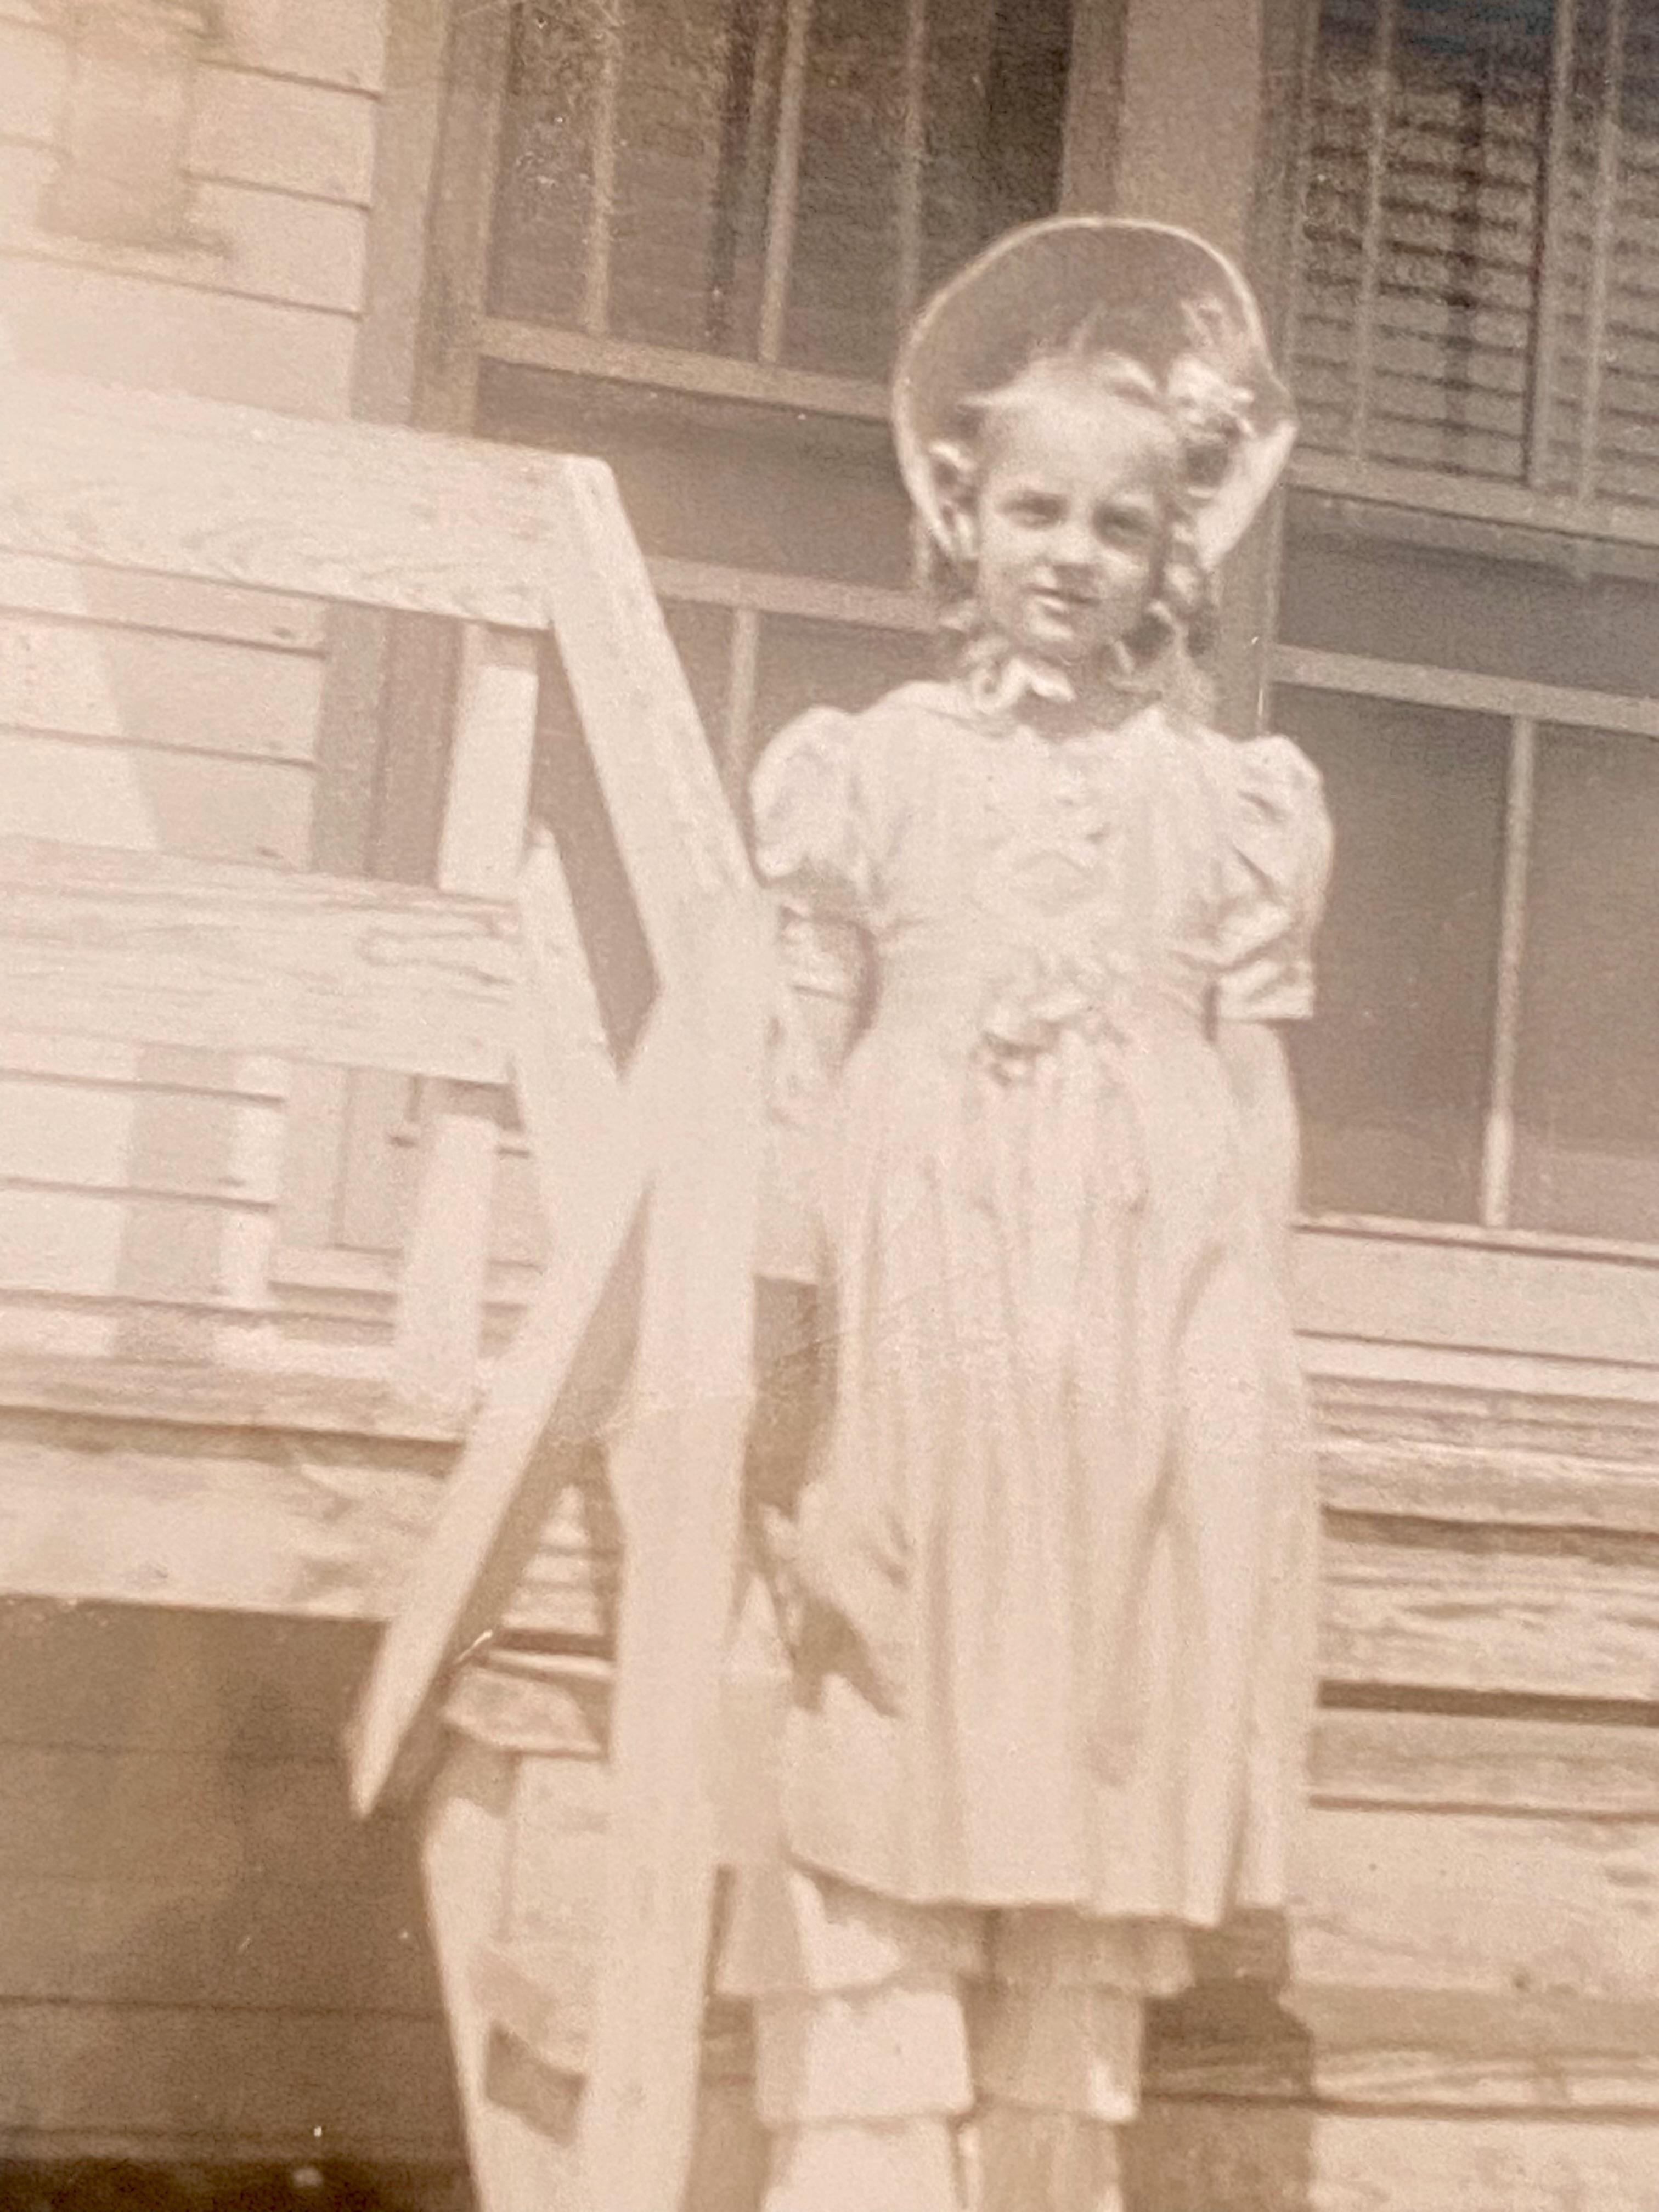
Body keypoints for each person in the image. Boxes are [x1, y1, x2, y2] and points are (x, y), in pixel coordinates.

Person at [721, 218, 1334, 2212]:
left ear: (1179, 557)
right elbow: (802, 1067)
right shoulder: (871, 770)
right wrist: (785, 1332)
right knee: (896, 1679)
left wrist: (1244, 1335)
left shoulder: (1230, 795)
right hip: (923, 1304)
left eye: (1122, 523)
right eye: (1034, 511)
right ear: (960, 521)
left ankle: (1054, 2161)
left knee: (1092, 1716)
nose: (1074, 554)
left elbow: (1250, 1089)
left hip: (1140, 1322)